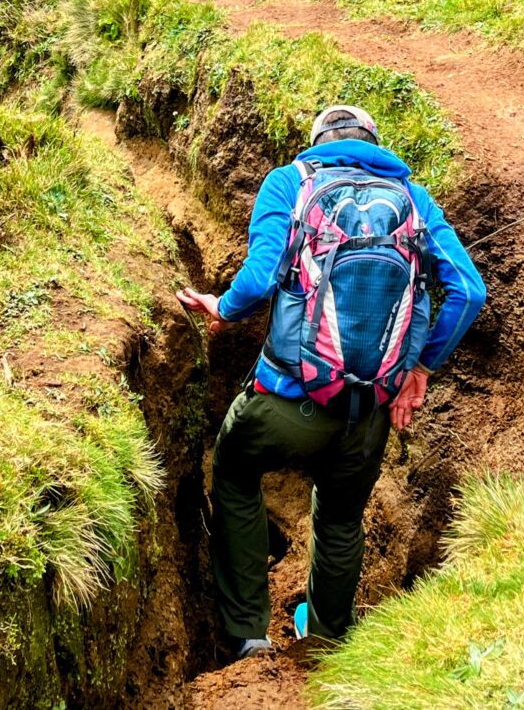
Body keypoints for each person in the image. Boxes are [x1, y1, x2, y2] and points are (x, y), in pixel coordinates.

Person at [178, 104, 487, 658]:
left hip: (284, 401)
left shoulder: (290, 184)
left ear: (318, 141)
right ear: (373, 142)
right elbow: (469, 290)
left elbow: (260, 276)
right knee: (341, 517)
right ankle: (323, 641)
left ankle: (248, 634)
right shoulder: (413, 200)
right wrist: (420, 368)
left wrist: (223, 307)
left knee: (233, 466)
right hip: (368, 415)